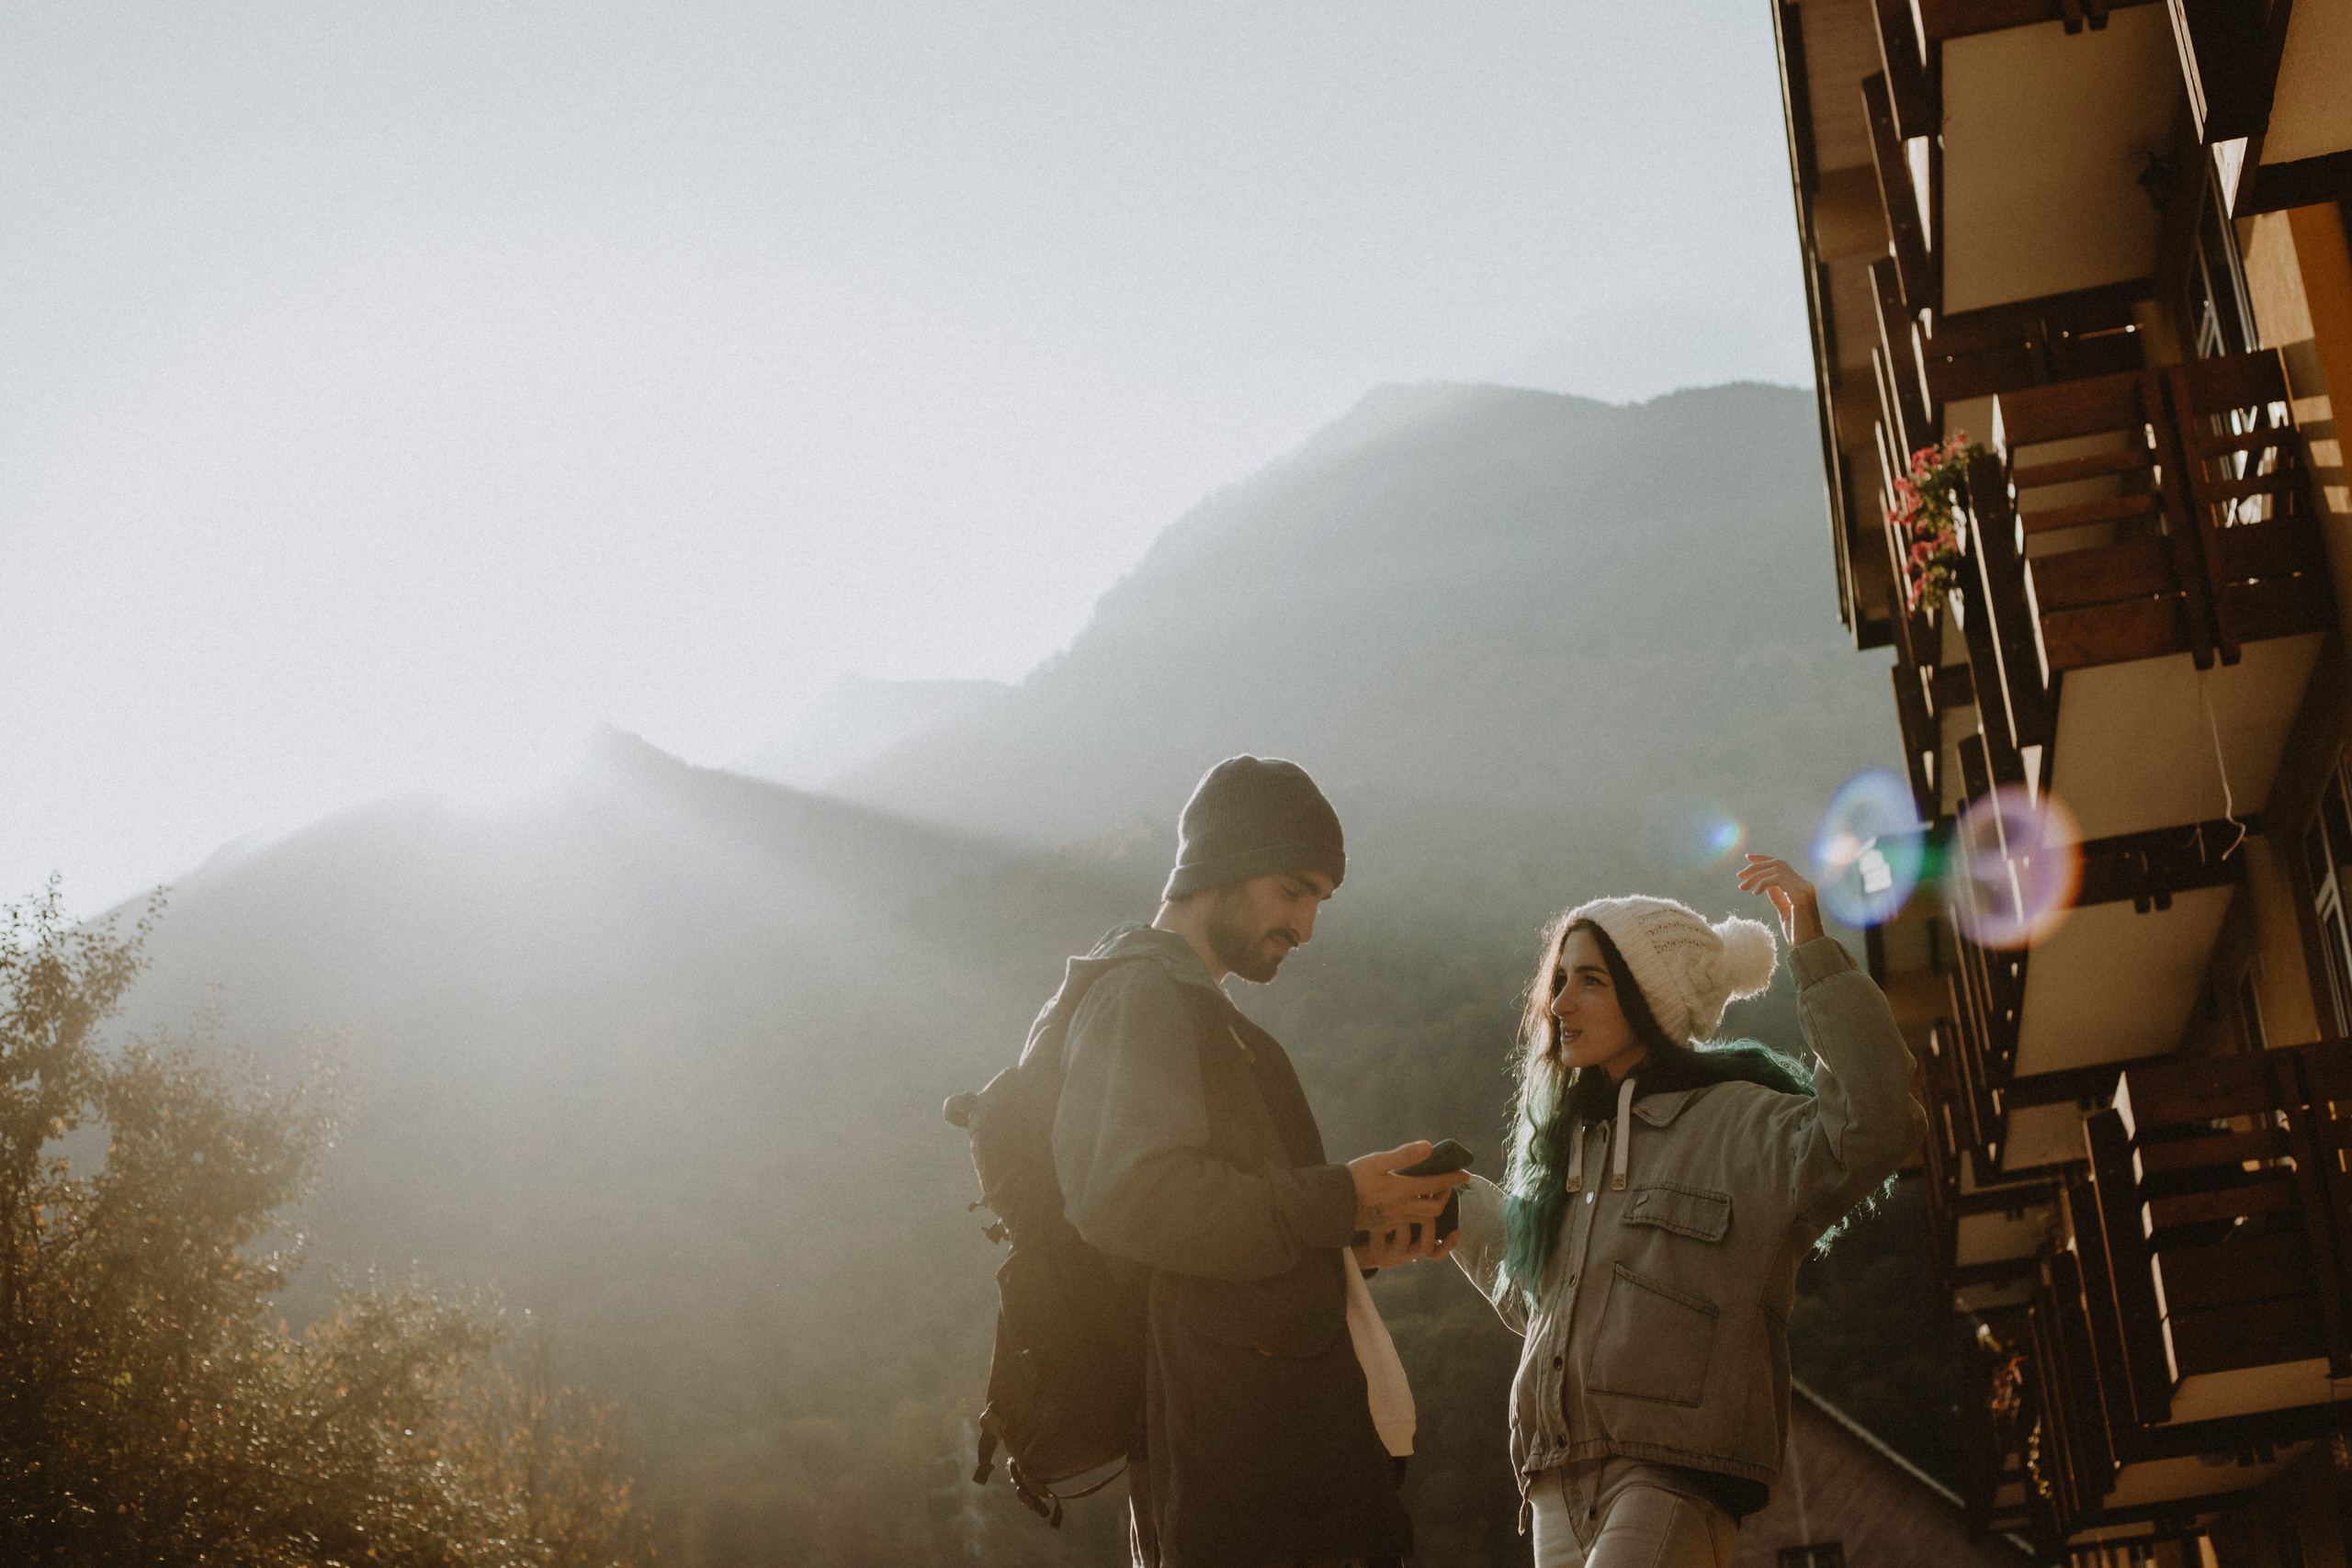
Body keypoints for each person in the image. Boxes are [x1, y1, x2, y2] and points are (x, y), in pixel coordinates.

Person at [1447, 854, 1926, 1568]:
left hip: (1671, 1474)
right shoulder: (1569, 1153)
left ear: (1649, 998)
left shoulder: (1741, 1125)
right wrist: (1453, 1202)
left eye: (1591, 981)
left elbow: (1876, 1125)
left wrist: (1814, 951)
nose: (1559, 1002)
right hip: (1552, 1483)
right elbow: (1532, 1292)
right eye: (1558, 979)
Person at [1052, 755, 1469, 1568]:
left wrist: (1351, 1238)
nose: (1307, 925)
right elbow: (1131, 1197)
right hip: (1240, 1483)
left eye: (1319, 899)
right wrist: (1334, 1199)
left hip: (1279, 1459)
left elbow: (1223, 1235)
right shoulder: (1143, 996)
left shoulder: (1200, 1014)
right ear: (1220, 868)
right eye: (1293, 889)